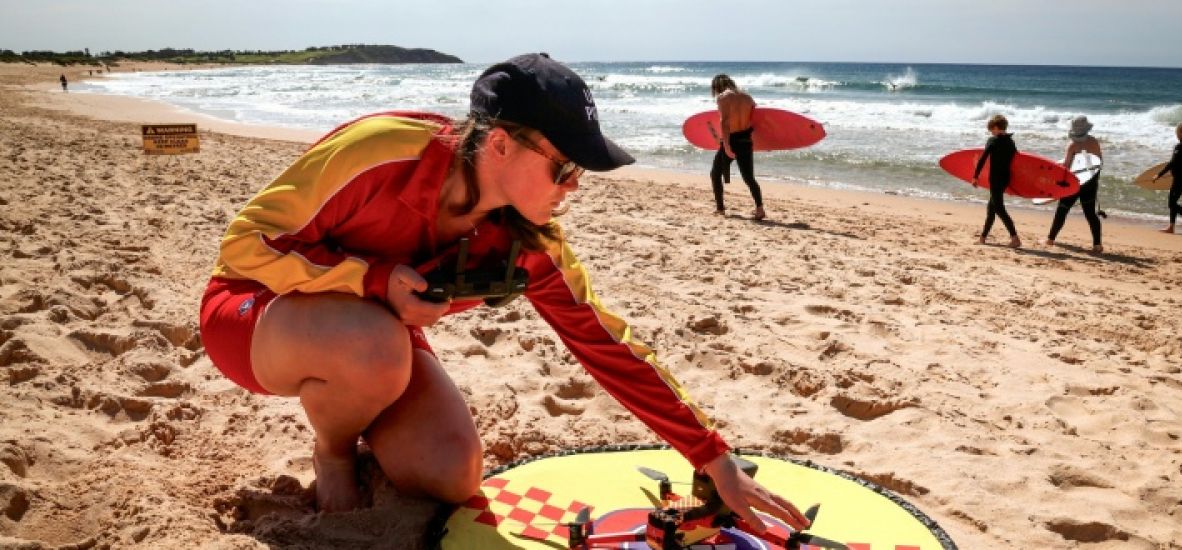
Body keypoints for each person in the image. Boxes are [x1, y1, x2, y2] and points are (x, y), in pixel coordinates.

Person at [197, 53, 808, 533]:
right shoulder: (380, 150)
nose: (573, 187)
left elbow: (604, 341)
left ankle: (358, 406)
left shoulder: (529, 238)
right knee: (375, 344)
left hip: (376, 341)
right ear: (499, 145)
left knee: (452, 473)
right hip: (254, 315)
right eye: (564, 168)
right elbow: (245, 245)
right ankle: (333, 450)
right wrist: (372, 280)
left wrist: (712, 457)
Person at [709, 74, 766, 221]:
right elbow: (755, 118)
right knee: (749, 178)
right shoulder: (748, 97)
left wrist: (726, 146)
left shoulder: (723, 97)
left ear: (717, 86)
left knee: (715, 173)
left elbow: (725, 122)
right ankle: (760, 209)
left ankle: (720, 208)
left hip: (731, 140)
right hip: (746, 140)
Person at [1045, 116, 1104, 253]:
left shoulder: (1072, 145)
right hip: (1090, 182)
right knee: (1090, 214)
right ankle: (1097, 245)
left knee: (1062, 210)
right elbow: (1099, 162)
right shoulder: (1094, 142)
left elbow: (1066, 167)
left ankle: (1050, 239)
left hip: (1075, 182)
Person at [972, 114, 1021, 248]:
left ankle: (1015, 238)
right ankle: (983, 238)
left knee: (999, 208)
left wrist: (975, 176)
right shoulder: (1011, 142)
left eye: (991, 129)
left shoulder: (992, 141)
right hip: (1005, 178)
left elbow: (983, 158)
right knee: (991, 208)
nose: (991, 132)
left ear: (996, 127)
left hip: (995, 179)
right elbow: (1016, 161)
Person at [1154, 122, 1182, 234]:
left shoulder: (1180, 146)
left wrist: (1159, 175)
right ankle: (1171, 227)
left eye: (1177, 132)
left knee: (1171, 203)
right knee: (1173, 202)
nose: (1176, 134)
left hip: (1180, 178)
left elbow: (1172, 163)